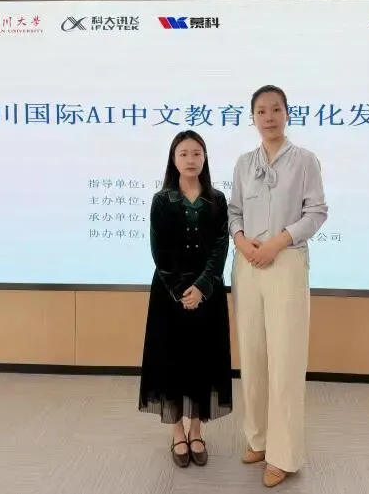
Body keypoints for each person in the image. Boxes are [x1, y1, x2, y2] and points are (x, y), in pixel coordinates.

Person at [228, 84, 328, 487]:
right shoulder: (243, 163)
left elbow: (316, 212)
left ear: (287, 113)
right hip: (247, 263)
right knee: (252, 355)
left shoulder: (304, 160)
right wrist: (241, 241)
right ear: (252, 117)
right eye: (261, 111)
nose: (268, 117)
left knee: (285, 359)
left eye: (275, 109)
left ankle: (284, 455)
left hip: (285, 261)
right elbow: (234, 211)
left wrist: (278, 241)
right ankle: (259, 438)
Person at [138, 129, 233, 469]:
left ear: (205, 158)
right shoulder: (162, 200)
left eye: (197, 153)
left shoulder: (217, 199)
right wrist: (182, 290)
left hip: (208, 294)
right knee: (172, 361)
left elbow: (221, 245)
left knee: (203, 360)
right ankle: (177, 432)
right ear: (173, 159)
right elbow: (160, 250)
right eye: (184, 154)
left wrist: (203, 286)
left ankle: (196, 430)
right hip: (170, 294)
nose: (191, 160)